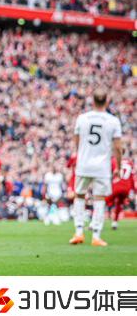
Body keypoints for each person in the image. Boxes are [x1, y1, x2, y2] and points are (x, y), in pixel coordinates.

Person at [69, 90, 122, 247]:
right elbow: (117, 147)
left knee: (79, 195)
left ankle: (79, 232)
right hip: (102, 166)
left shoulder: (82, 118)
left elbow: (76, 141)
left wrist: (81, 154)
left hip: (84, 164)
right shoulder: (113, 121)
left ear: (92, 101)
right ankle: (96, 236)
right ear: (106, 101)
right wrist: (118, 166)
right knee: (99, 198)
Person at [106, 158, 134, 230]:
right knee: (119, 203)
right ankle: (115, 222)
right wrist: (133, 190)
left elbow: (109, 173)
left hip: (116, 185)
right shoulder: (130, 162)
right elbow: (131, 177)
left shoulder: (113, 160)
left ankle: (94, 222)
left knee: (103, 201)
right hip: (126, 187)